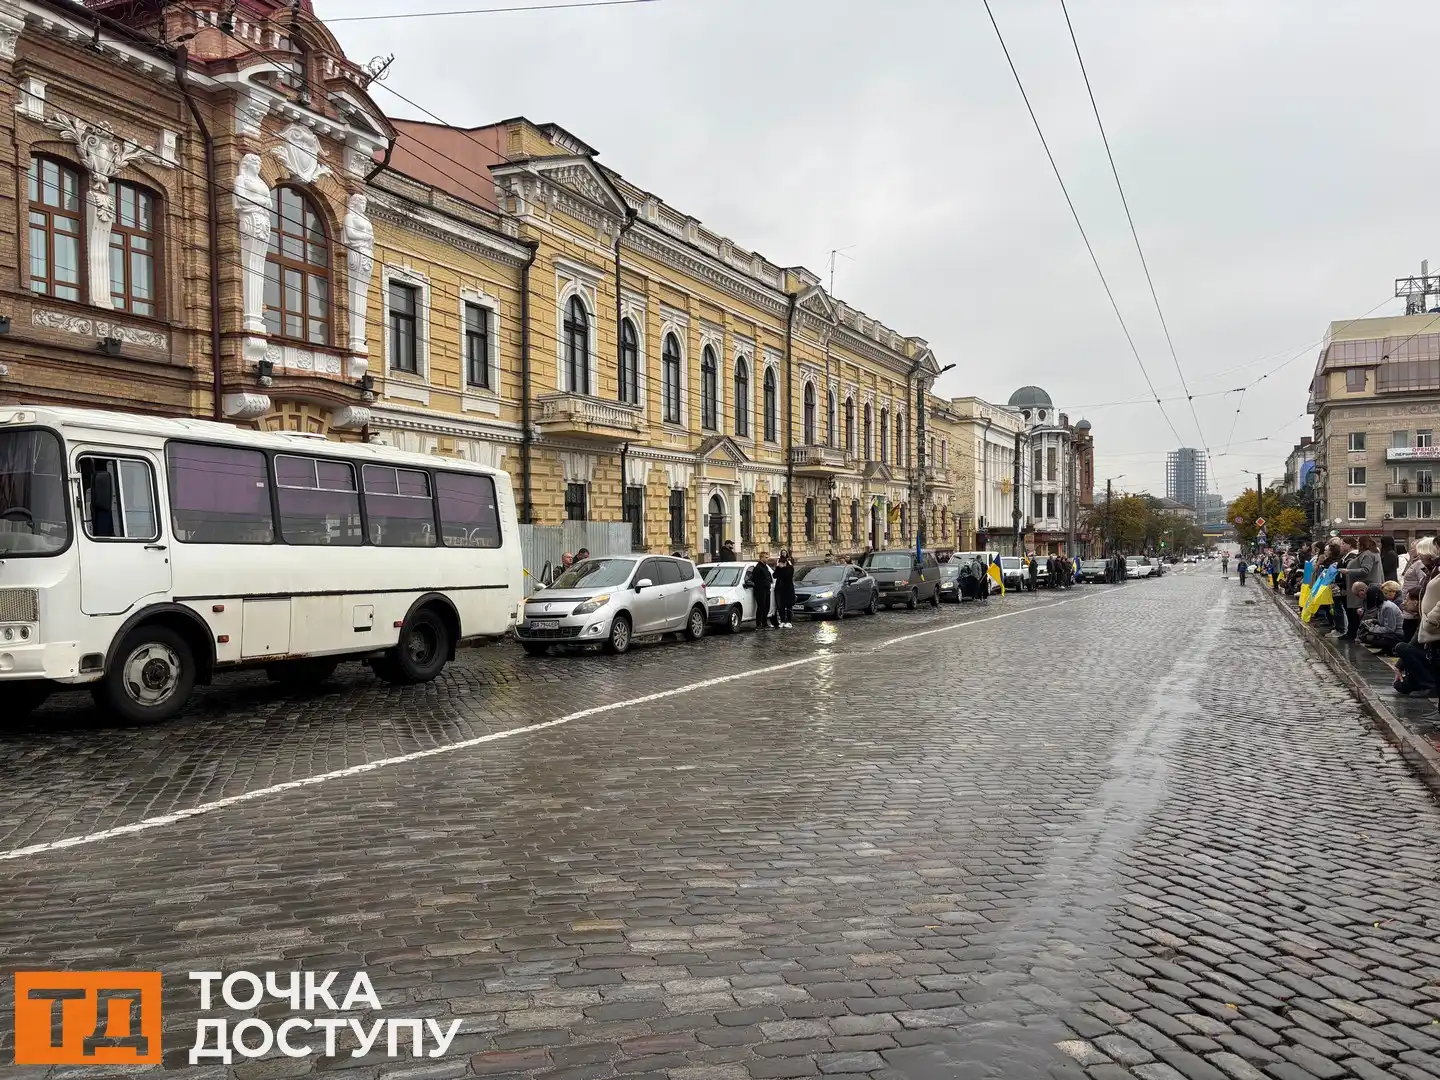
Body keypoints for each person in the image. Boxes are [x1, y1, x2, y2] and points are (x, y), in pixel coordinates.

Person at [1343, 536, 1381, 641]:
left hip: (1363, 587)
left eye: (1358, 542)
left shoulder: (1368, 554)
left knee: (1361, 612)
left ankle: (1358, 635)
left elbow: (1365, 570)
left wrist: (1348, 571)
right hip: (1363, 587)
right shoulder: (1371, 553)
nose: (1357, 543)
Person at [1360, 581, 1405, 653]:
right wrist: (1373, 621)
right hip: (1393, 633)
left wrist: (1371, 629)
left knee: (1370, 637)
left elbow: (1390, 629)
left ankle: (1390, 647)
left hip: (1397, 635)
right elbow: (1385, 622)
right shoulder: (1382, 606)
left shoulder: (1387, 607)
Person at [751, 552, 773, 630]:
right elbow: (754, 579)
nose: (767, 559)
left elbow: (769, 576)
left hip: (767, 589)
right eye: (766, 557)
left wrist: (769, 582)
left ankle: (765, 623)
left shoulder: (765, 567)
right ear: (761, 558)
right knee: (761, 607)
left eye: (768, 557)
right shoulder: (758, 567)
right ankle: (758, 624)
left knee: (766, 606)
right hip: (760, 590)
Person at [773, 550, 795, 629]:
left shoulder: (789, 565)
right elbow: (774, 575)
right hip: (779, 588)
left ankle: (789, 621)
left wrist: (784, 568)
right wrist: (778, 568)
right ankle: (782, 621)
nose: (783, 554)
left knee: (788, 605)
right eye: (782, 553)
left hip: (788, 588)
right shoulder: (778, 566)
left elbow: (790, 574)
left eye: (784, 553)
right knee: (780, 605)